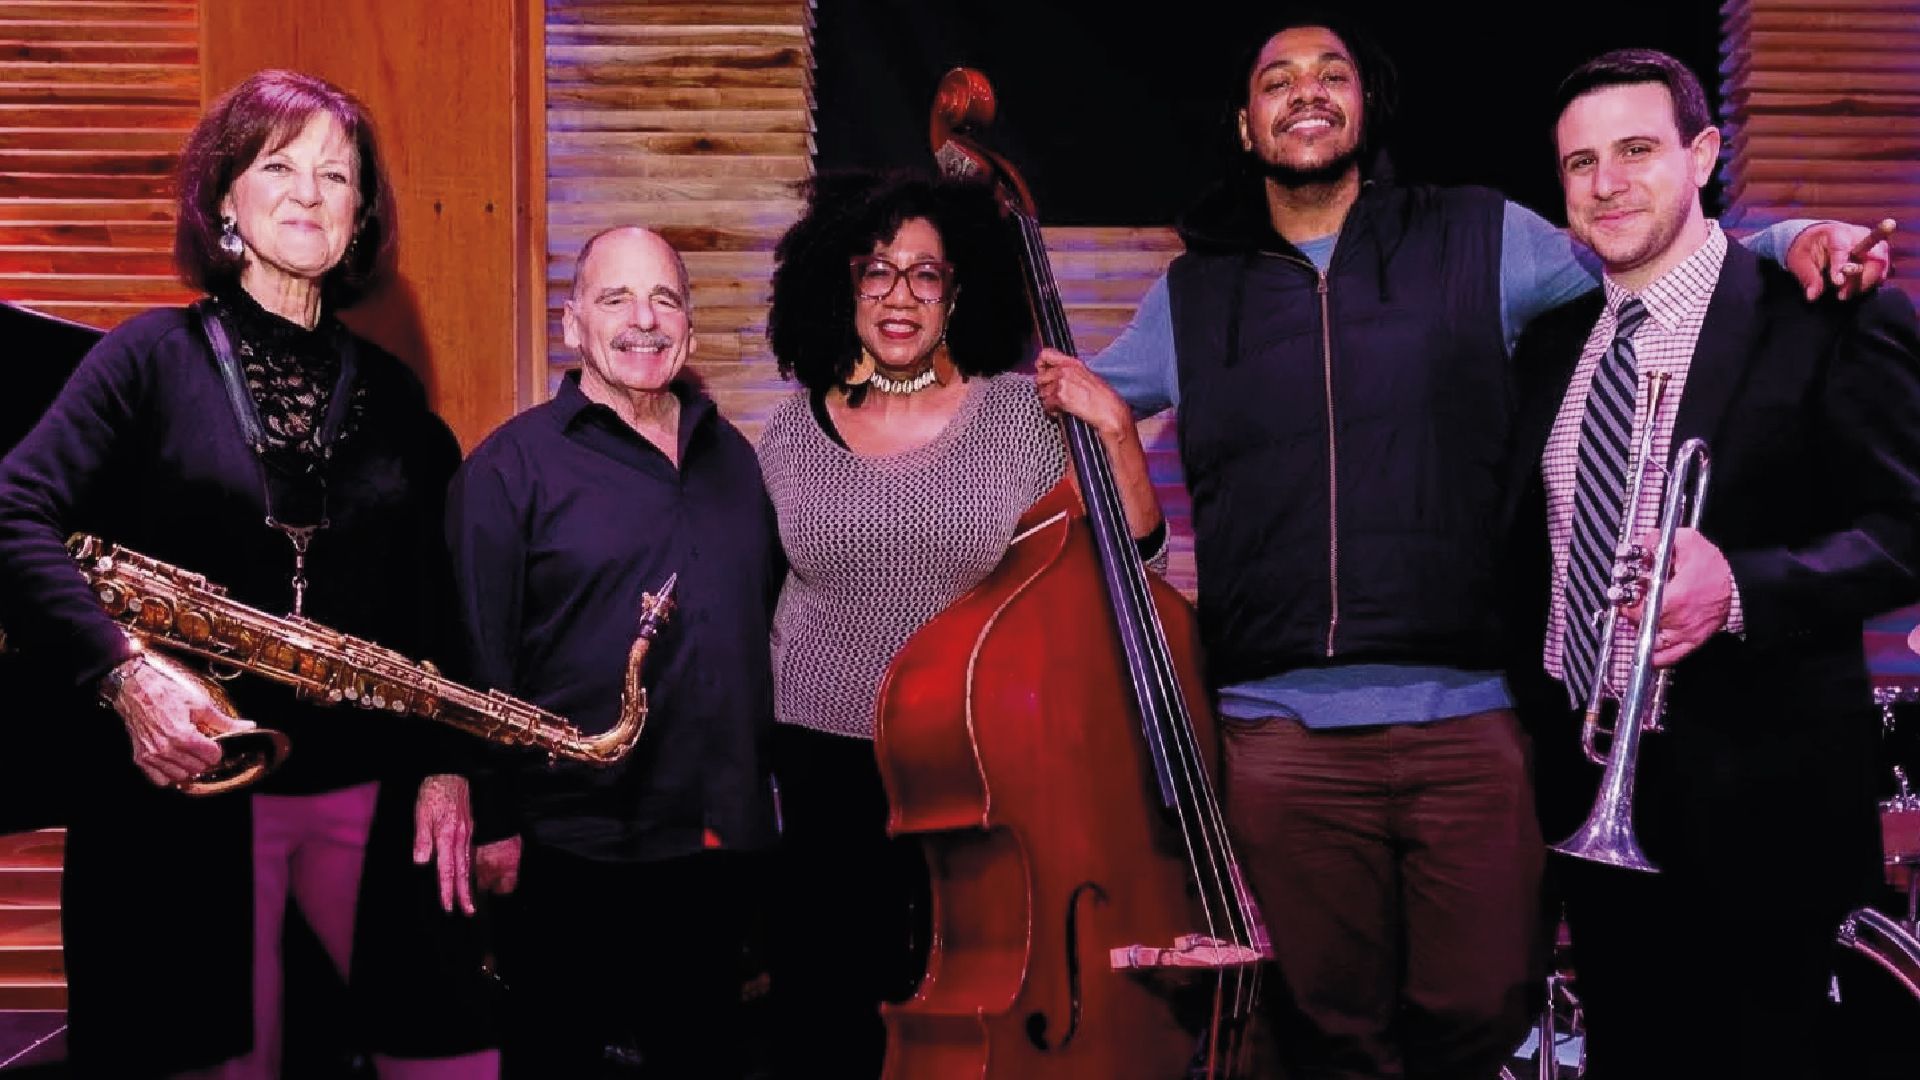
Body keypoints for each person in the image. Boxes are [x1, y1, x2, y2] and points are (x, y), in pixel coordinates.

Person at [1057, 10, 1895, 1077]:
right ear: (1243, 121)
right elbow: (1069, 412)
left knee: (1490, 1006)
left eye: (1333, 72)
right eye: (1278, 79)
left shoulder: (1480, 236)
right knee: (1325, 1026)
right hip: (1275, 734)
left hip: (1474, 722)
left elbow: (1643, 248)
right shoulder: (1195, 293)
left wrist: (1791, 240)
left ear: (1368, 102)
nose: (1306, 91)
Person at [0, 70, 498, 1078]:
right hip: (185, 792)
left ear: (361, 216)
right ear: (225, 199)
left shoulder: (397, 399)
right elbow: (14, 512)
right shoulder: (146, 358)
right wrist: (124, 673)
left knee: (451, 1052)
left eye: (338, 174)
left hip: (370, 791)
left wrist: (454, 766)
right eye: (280, 166)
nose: (311, 193)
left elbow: (437, 603)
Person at [1505, 48, 1920, 1079]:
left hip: (1767, 802)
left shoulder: (1829, 312)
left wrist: (1742, 588)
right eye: (1580, 162)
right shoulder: (1551, 344)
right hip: (1593, 798)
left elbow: (1908, 526)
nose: (1607, 183)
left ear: (1702, 153)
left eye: (1637, 150)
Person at [755, 169, 1168, 1078]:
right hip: (826, 764)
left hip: (980, 772)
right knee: (828, 1019)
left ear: (957, 294)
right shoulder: (786, 435)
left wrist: (1117, 435)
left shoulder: (1021, 417)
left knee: (968, 1015)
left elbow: (1136, 567)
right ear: (843, 285)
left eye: (925, 274)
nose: (899, 295)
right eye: (876, 271)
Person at [443, 225, 780, 1079]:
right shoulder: (508, 469)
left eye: (665, 298)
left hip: (716, 855)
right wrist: (498, 824)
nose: (644, 319)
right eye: (615, 297)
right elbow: (473, 655)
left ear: (691, 331)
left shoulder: (735, 461)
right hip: (570, 857)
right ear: (572, 324)